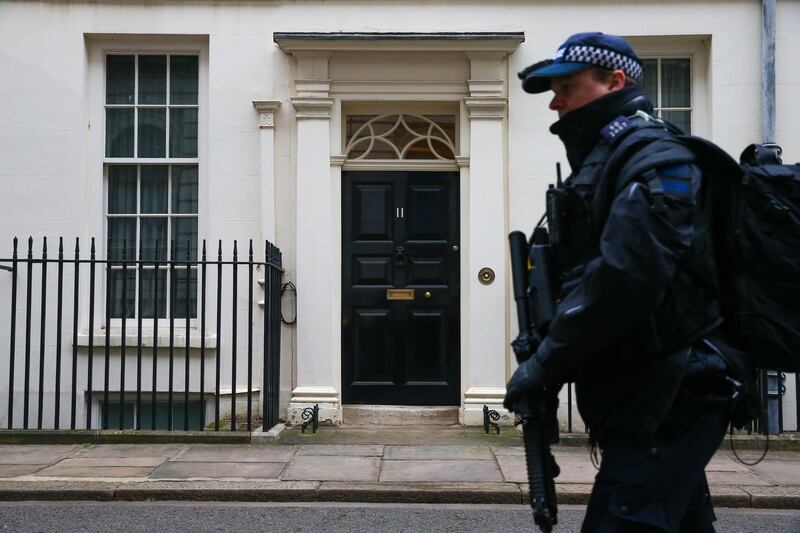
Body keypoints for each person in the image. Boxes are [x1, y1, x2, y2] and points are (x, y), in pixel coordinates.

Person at [504, 32, 754, 532]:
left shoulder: (656, 158)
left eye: (568, 87)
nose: (555, 102)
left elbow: (627, 279)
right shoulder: (608, 162)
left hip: (676, 391)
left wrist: (548, 361)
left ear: (614, 82)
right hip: (646, 393)